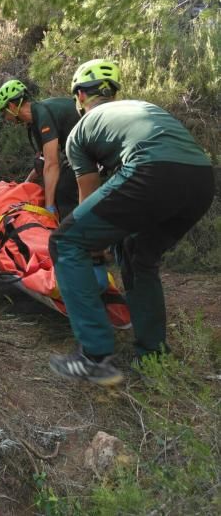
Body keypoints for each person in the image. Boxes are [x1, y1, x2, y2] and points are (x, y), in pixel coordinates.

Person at [48, 59, 215, 386]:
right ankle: (154, 358)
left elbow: (88, 195)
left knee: (65, 241)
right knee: (138, 254)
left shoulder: (81, 130)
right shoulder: (141, 107)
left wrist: (93, 251)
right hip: (201, 179)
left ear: (80, 95)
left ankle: (94, 357)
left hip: (151, 168)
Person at [0, 79, 79, 220]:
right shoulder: (34, 120)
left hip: (93, 145)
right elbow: (44, 160)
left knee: (63, 189)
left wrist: (49, 206)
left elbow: (52, 164)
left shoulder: (42, 115)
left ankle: (71, 234)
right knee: (58, 183)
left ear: (11, 106)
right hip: (79, 149)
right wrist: (25, 184)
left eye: (4, 113)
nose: (6, 118)